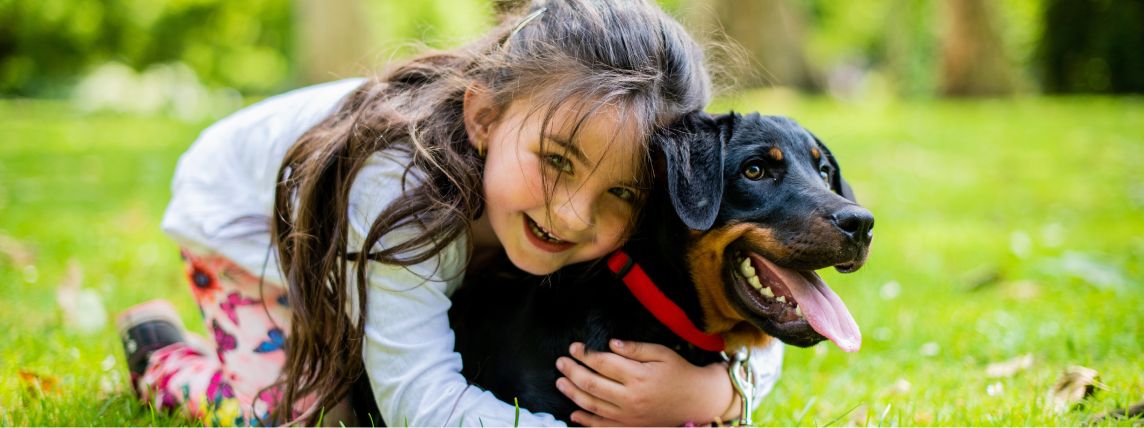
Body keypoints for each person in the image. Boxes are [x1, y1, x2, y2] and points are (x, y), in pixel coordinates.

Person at [116, 0, 783, 425]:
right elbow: (420, 406)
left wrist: (718, 394)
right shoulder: (401, 192)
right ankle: (167, 362)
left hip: (411, 240)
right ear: (484, 116)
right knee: (312, 418)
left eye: (623, 194)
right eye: (556, 160)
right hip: (246, 222)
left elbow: (768, 310)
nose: (576, 215)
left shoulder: (599, 197)